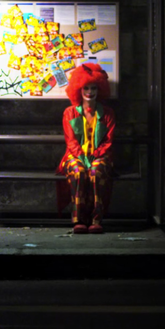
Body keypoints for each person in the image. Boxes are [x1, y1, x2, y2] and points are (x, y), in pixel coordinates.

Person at [56, 62, 116, 234]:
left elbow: (108, 141)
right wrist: (82, 157)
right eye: (86, 88)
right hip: (74, 156)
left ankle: (96, 219)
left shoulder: (108, 113)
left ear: (100, 90)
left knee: (96, 171)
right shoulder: (70, 112)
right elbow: (71, 141)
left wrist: (96, 156)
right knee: (79, 171)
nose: (90, 92)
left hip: (101, 156)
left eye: (94, 88)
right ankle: (79, 219)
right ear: (79, 90)